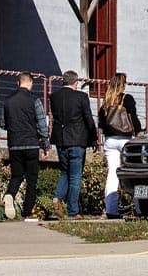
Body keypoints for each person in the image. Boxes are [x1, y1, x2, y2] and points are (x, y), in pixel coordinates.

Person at [49, 70, 97, 219]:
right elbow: (88, 118)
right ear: (75, 83)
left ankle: (57, 196)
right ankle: (73, 211)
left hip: (60, 140)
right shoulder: (82, 97)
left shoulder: (54, 97)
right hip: (77, 139)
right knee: (76, 176)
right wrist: (93, 137)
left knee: (65, 172)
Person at [1, 71, 49, 221]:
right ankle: (27, 211)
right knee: (32, 179)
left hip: (14, 144)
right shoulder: (35, 100)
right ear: (31, 83)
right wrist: (45, 144)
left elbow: (2, 124)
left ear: (18, 83)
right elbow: (42, 124)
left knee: (16, 175)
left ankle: (10, 194)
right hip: (31, 144)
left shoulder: (8, 101)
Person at [97, 72, 142, 218]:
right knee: (135, 173)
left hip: (110, 140)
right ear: (123, 84)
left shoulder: (106, 101)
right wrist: (139, 133)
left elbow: (101, 123)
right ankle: (140, 208)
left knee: (112, 174)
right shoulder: (126, 99)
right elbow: (133, 118)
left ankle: (111, 210)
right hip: (126, 139)